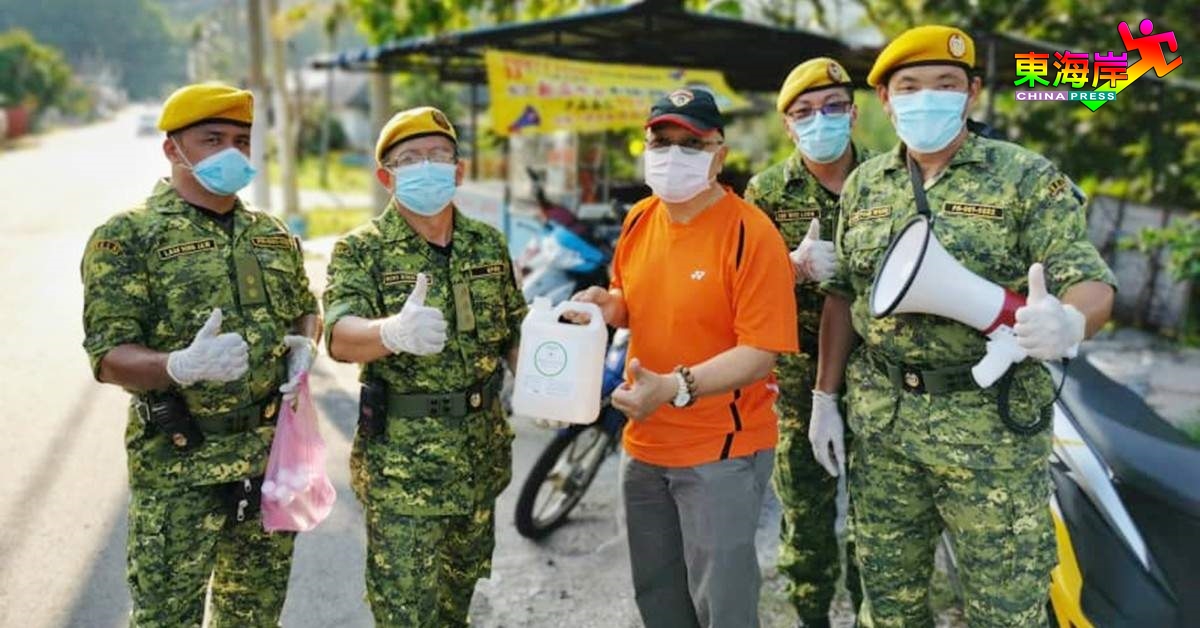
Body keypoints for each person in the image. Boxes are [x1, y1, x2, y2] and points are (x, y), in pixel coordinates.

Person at [812, 26, 1116, 627]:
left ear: (972, 93)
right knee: (888, 605)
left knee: (1006, 610)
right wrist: (825, 396)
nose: (927, 98)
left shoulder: (1024, 176)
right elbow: (844, 296)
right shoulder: (865, 185)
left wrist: (1071, 322)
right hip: (885, 427)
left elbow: (1090, 281)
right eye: (910, 86)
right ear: (885, 100)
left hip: (991, 436)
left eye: (945, 84)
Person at [80, 82, 321, 626]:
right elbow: (108, 355)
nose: (231, 151)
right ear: (173, 148)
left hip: (267, 461)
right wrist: (176, 366)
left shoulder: (271, 235)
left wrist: (306, 344)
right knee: (166, 618)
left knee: (254, 616)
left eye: (241, 140)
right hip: (179, 465)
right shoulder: (127, 237)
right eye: (213, 139)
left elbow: (306, 308)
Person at [572, 88, 798, 628]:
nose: (673, 155)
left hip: (721, 449)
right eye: (661, 142)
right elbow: (632, 297)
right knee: (658, 595)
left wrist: (673, 387)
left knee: (723, 604)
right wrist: (609, 306)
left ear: (719, 155)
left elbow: (760, 352)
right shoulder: (640, 219)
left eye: (691, 144)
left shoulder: (750, 233)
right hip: (645, 443)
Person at [322, 106, 524, 627]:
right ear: (385, 177)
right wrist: (390, 333)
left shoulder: (487, 243)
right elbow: (339, 335)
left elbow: (514, 331)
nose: (427, 166)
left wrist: (547, 383)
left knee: (456, 608)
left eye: (439, 155)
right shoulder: (361, 250)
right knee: (406, 615)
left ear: (459, 170)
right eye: (410, 159)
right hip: (403, 469)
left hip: (479, 458)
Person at [743, 57, 869, 628]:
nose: (821, 119)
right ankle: (812, 615)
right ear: (788, 126)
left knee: (878, 521)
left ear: (854, 114)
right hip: (796, 387)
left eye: (833, 107)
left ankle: (870, 612)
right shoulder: (768, 191)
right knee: (806, 519)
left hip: (879, 377)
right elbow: (741, 284)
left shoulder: (889, 177)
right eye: (805, 111)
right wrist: (789, 268)